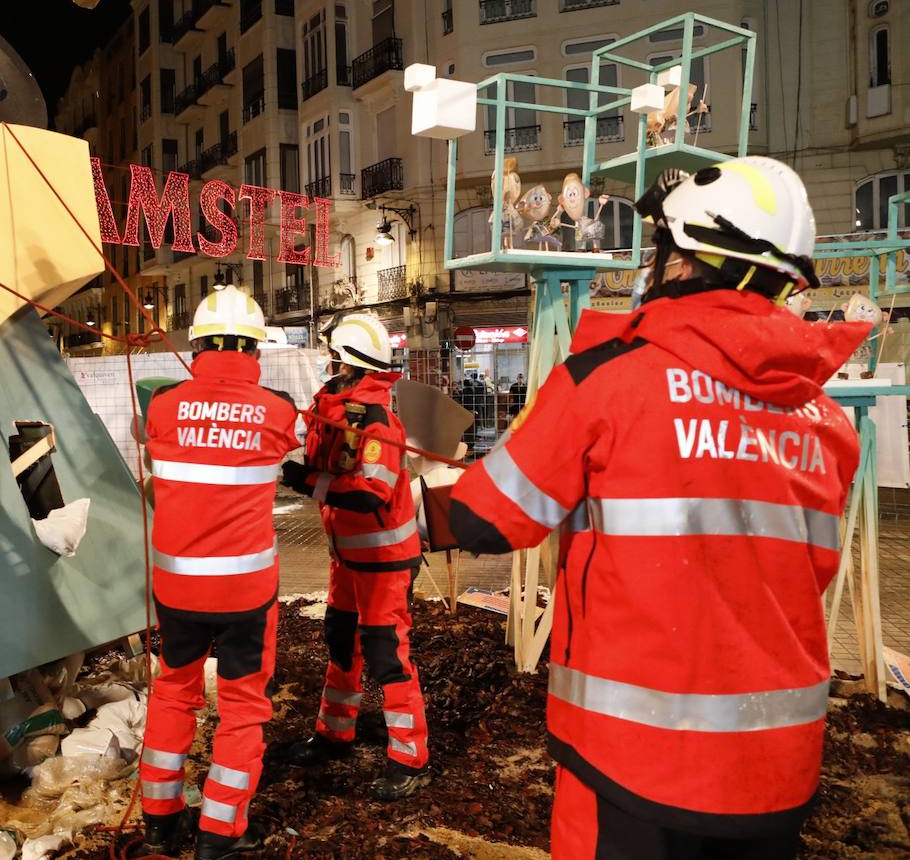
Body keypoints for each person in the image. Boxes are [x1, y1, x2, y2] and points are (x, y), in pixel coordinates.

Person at [445, 157, 870, 858]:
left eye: (660, 250)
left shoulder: (607, 381)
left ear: (683, 262)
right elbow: (805, 572)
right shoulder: (826, 421)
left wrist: (400, 507)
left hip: (628, 764)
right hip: (775, 771)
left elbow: (489, 517)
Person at [137, 286, 300, 859]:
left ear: (197, 343)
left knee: (174, 692)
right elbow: (288, 437)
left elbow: (153, 428)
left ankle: (159, 820)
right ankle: (220, 833)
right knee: (242, 706)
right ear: (256, 350)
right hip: (245, 595)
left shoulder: (163, 406)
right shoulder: (278, 411)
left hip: (177, 590)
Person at [280, 312, 431, 800]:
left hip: (384, 561)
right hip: (347, 558)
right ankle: (333, 733)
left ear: (350, 364)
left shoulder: (377, 420)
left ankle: (411, 760)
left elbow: (369, 493)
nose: (328, 365)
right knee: (341, 642)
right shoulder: (336, 409)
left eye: (333, 358)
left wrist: (306, 481)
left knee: (388, 656)